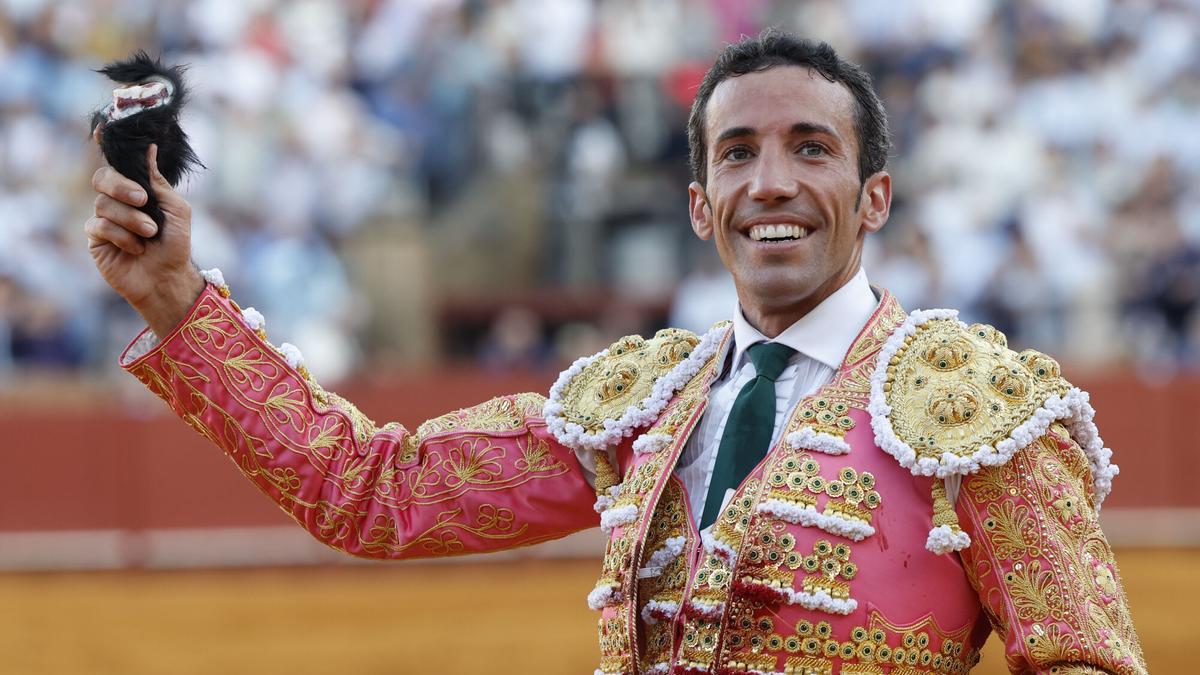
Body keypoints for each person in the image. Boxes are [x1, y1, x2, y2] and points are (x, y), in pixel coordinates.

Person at [86, 32, 1144, 675]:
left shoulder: (976, 412)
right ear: (701, 207)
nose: (770, 181)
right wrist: (180, 301)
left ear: (874, 199)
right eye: (739, 154)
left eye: (810, 149)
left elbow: (1085, 661)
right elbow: (378, 494)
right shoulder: (642, 405)